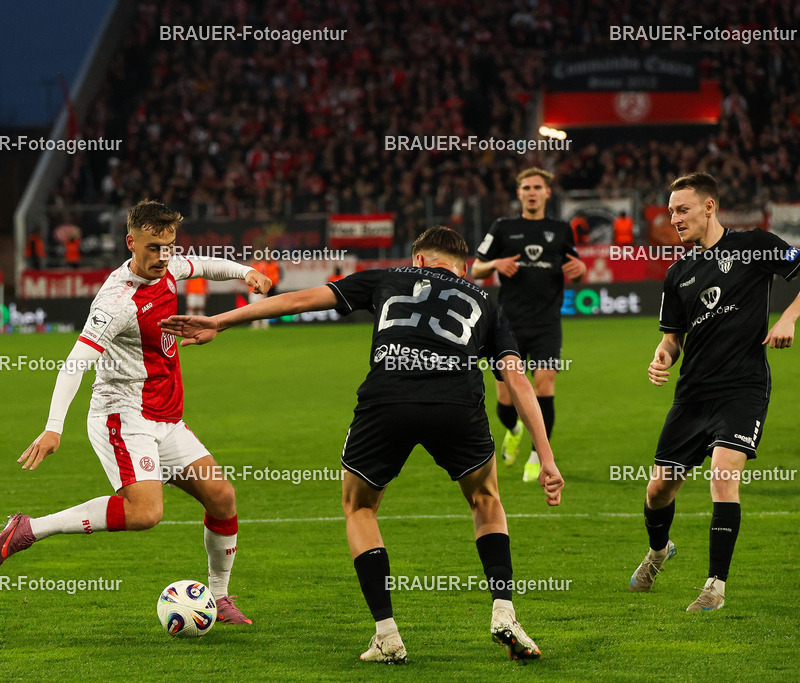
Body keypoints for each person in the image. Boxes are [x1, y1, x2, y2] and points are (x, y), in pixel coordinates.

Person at [161, 226, 565, 663]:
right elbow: (517, 379)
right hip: (456, 403)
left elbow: (296, 301)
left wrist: (218, 321)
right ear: (464, 267)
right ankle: (504, 611)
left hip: (387, 400)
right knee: (486, 499)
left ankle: (387, 635)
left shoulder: (386, 277)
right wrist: (545, 457)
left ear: (420, 260)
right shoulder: (486, 300)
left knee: (361, 508)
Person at [0, 199, 272, 627]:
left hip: (166, 417)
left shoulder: (171, 266)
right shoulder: (116, 300)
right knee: (145, 514)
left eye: (169, 246)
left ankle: (218, 598)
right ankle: (30, 527)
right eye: (153, 247)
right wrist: (53, 428)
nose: (163, 256)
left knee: (222, 497)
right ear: (131, 242)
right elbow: (76, 361)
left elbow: (201, 265)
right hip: (122, 417)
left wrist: (243, 272)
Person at [631, 172, 800, 611]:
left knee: (723, 477)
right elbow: (671, 340)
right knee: (657, 491)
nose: (675, 219)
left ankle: (714, 587)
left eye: (682, 210)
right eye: (670, 212)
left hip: (743, 387)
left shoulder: (755, 244)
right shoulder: (678, 273)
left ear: (709, 207)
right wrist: (663, 357)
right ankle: (658, 551)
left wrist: (788, 317)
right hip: (693, 394)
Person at [471, 168, 586, 483]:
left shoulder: (561, 230)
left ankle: (538, 455)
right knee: (505, 403)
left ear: (548, 192)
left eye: (538, 187)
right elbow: (477, 268)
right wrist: (494, 264)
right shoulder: (503, 227)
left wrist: (580, 269)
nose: (532, 192)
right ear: (518, 193)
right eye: (526, 187)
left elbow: (575, 271)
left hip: (548, 322)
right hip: (507, 325)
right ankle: (514, 429)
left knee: (544, 386)